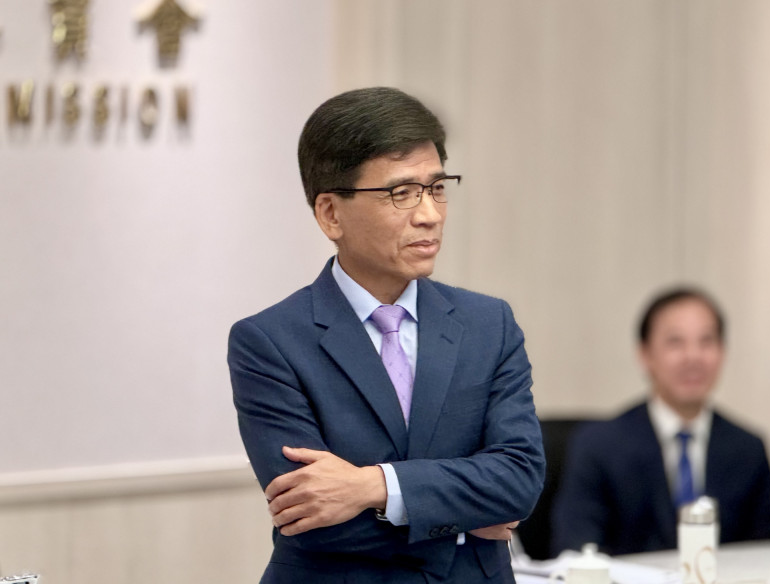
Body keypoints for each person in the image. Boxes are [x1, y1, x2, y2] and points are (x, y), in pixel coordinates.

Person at [228, 87, 545, 583]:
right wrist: (464, 524)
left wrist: (374, 486)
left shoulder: (489, 324)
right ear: (331, 213)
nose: (429, 214)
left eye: (437, 187)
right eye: (401, 193)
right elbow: (310, 521)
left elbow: (519, 481)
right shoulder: (270, 342)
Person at [551, 287, 770, 557]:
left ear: (722, 351)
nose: (693, 356)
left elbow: (764, 556)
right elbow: (576, 550)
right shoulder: (598, 446)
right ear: (645, 354)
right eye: (675, 342)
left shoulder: (749, 450)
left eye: (706, 341)